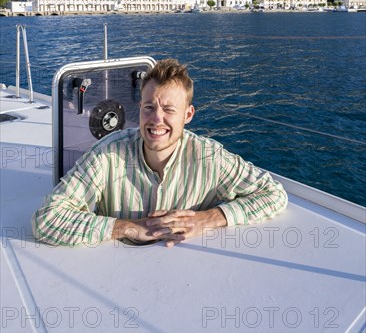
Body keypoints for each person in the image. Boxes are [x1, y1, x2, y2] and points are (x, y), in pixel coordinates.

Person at [32, 59, 288, 247]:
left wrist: (209, 218)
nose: (156, 119)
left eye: (169, 109)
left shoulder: (210, 157)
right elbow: (47, 220)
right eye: (149, 107)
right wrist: (126, 228)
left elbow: (273, 194)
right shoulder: (107, 154)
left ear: (188, 115)